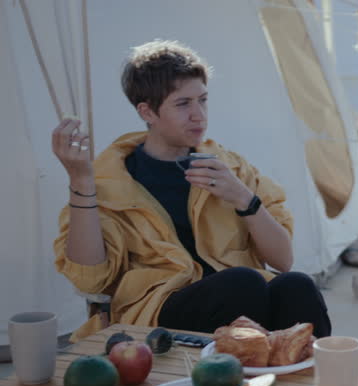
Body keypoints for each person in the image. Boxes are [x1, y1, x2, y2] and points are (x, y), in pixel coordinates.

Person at [52, 40, 331, 340]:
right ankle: (255, 374)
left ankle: (314, 381)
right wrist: (81, 181)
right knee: (242, 283)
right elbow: (90, 279)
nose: (198, 115)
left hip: (243, 296)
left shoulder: (231, 168)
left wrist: (242, 198)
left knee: (297, 286)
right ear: (147, 112)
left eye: (203, 100)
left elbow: (283, 260)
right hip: (160, 313)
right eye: (183, 104)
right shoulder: (112, 181)